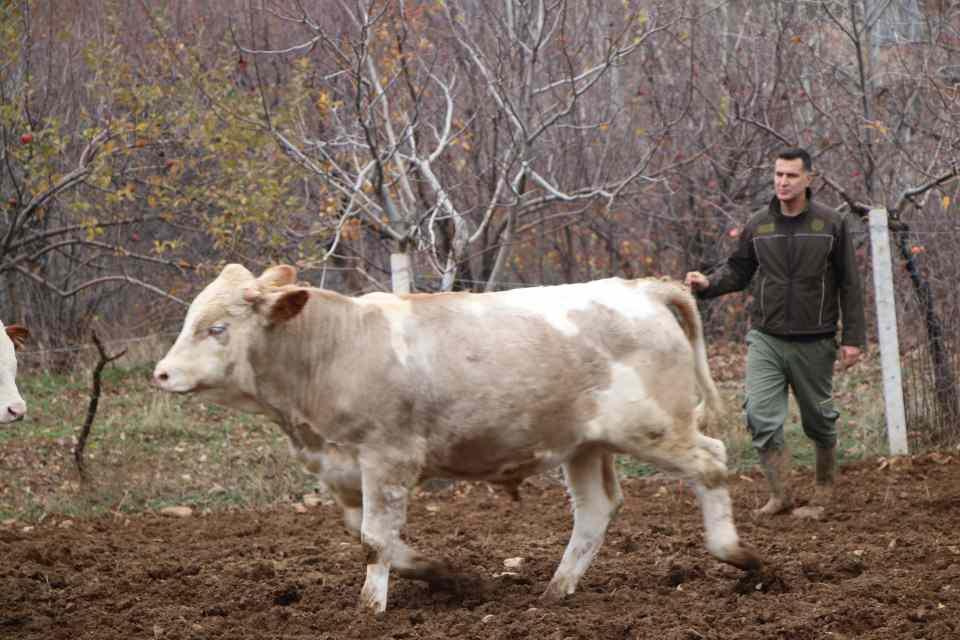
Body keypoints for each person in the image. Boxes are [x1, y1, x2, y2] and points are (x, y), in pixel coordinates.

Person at [685, 147, 865, 518]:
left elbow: (850, 284)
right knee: (760, 415)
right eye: (778, 175)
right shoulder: (758, 224)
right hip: (766, 337)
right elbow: (738, 272)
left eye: (791, 176)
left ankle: (823, 493)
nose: (783, 182)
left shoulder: (831, 224)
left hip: (815, 339)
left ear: (809, 179)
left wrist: (853, 340)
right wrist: (706, 284)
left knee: (819, 420)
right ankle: (780, 495)